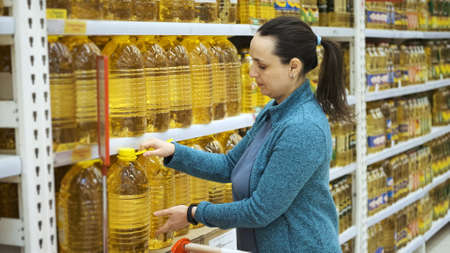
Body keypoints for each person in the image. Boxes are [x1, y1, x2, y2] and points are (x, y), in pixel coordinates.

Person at [140, 16, 349, 253]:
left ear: (294, 67)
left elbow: (260, 211)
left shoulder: (303, 128)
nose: (251, 73)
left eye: (262, 66)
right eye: (251, 62)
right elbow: (230, 165)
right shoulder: (275, 110)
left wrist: (193, 213)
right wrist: (174, 152)